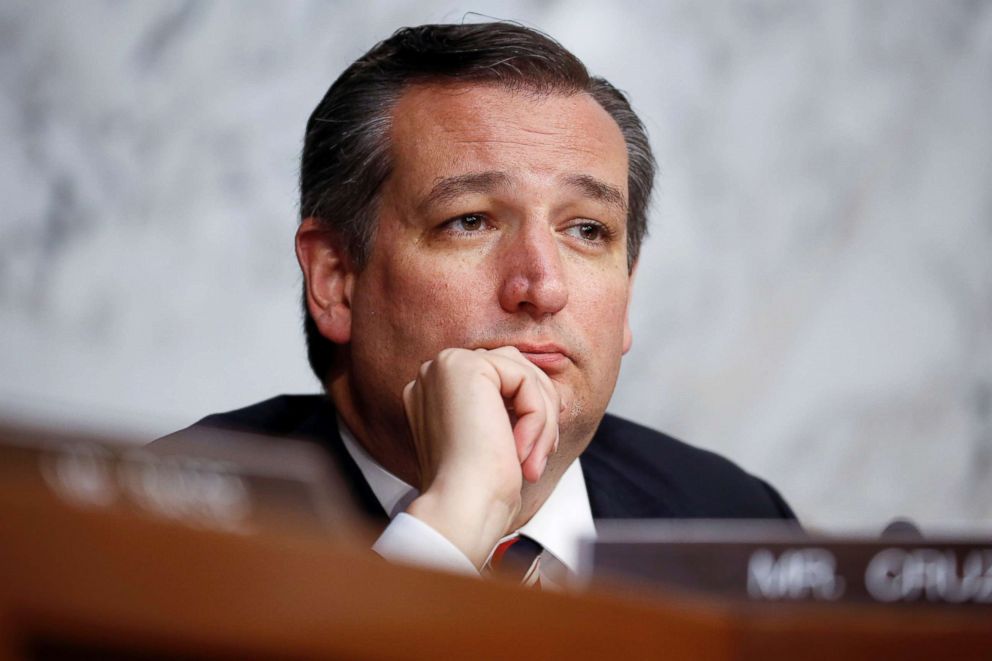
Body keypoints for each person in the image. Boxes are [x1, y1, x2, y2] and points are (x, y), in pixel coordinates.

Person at [158, 22, 795, 586]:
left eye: (586, 230)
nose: (543, 287)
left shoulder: (737, 522)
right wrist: (452, 523)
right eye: (470, 221)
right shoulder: (162, 517)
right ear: (335, 278)